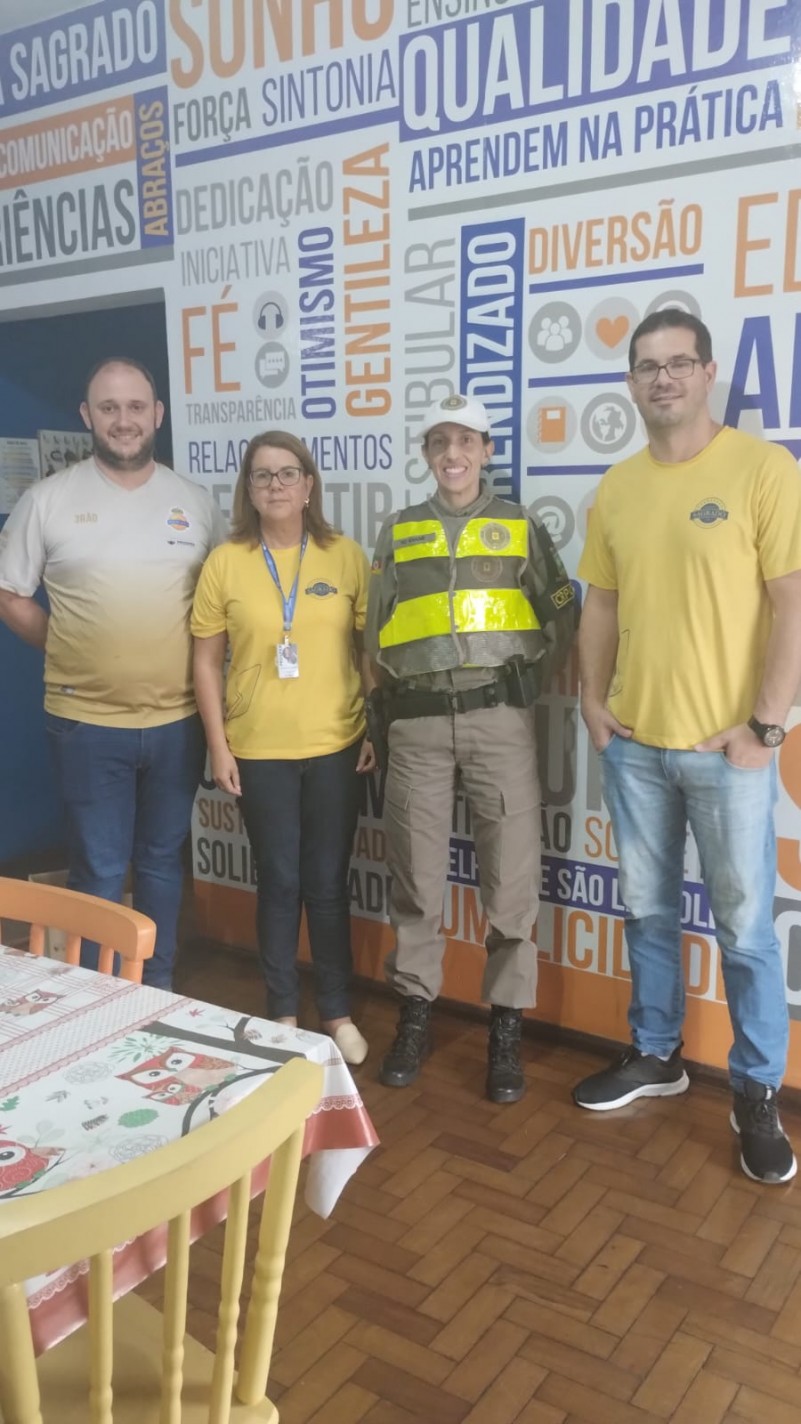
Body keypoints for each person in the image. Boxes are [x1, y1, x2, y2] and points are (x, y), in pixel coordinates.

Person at [574, 309, 801, 1185]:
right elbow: (600, 604)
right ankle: (657, 1055)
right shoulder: (618, 486)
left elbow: (791, 602)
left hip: (725, 754)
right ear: (630, 382)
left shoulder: (762, 470)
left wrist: (766, 727)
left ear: (707, 373)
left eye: (677, 364)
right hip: (633, 745)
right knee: (647, 914)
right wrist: (592, 701)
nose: (660, 378)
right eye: (645, 367)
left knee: (745, 932)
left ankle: (753, 1093)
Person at [366, 393, 577, 1103]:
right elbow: (374, 632)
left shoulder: (519, 526)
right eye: (438, 443)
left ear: (487, 451)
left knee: (510, 884)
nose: (452, 455)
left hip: (498, 720)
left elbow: (560, 610)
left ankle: (505, 1028)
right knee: (417, 881)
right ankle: (416, 1012)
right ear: (426, 454)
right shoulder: (397, 530)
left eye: (465, 442)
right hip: (417, 725)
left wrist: (523, 685)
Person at [0, 358, 227, 988]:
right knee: (98, 870)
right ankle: (95, 999)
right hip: (85, 725)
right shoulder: (48, 500)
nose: (123, 420)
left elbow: (222, 606)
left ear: (156, 415)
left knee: (159, 864)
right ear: (87, 416)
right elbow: (10, 593)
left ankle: (154, 994)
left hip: (178, 722)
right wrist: (66, 644)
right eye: (108, 408)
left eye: (135, 408)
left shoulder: (195, 504)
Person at [191, 432, 374, 1065]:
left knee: (326, 882)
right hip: (259, 747)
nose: (275, 485)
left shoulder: (345, 556)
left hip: (336, 743)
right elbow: (207, 662)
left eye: (287, 473)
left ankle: (337, 1010)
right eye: (262, 475)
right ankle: (282, 1013)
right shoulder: (226, 562)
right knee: (280, 881)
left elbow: (366, 651)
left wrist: (372, 724)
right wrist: (218, 745)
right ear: (249, 488)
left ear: (308, 485)